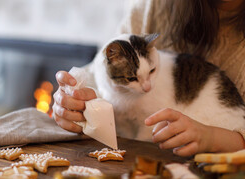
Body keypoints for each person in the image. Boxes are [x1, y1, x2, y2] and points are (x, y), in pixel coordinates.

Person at [52, 0, 245, 157]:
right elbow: (101, 71)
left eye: (152, 72)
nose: (147, 87)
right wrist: (73, 95)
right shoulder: (152, 6)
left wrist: (211, 137)